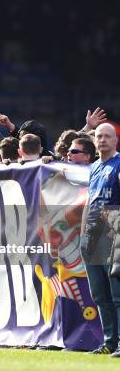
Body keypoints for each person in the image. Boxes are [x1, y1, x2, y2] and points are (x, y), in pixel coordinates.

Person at [81, 123, 120, 357]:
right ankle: (109, 342)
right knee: (99, 294)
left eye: (108, 136)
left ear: (115, 140)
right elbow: (89, 201)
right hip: (92, 234)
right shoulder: (95, 166)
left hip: (112, 232)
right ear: (94, 140)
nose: (103, 140)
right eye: (99, 136)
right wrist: (83, 231)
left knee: (117, 293)